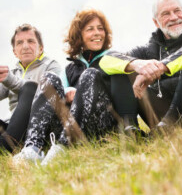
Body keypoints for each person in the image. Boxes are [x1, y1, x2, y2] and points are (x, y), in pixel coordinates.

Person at [99, 0, 182, 132]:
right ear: (156, 22)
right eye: (166, 14)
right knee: (122, 66)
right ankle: (130, 130)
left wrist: (163, 66)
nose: (174, 17)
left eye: (177, 11)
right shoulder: (149, 50)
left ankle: (170, 125)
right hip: (159, 114)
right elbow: (105, 61)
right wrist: (137, 64)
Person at [14, 8, 116, 163]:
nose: (97, 33)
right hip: (69, 125)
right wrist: (68, 90)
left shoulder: (113, 58)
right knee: (49, 78)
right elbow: (57, 91)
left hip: (101, 124)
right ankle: (32, 148)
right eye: (90, 29)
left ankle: (63, 147)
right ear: (79, 35)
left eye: (100, 29)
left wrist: (84, 91)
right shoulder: (70, 69)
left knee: (90, 74)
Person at [0, 24, 61, 152]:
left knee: (30, 88)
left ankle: (5, 147)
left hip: (40, 128)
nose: (25, 46)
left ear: (41, 48)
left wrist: (10, 80)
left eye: (31, 41)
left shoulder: (51, 66)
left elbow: (44, 92)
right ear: (15, 51)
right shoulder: (13, 72)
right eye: (20, 43)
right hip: (12, 127)